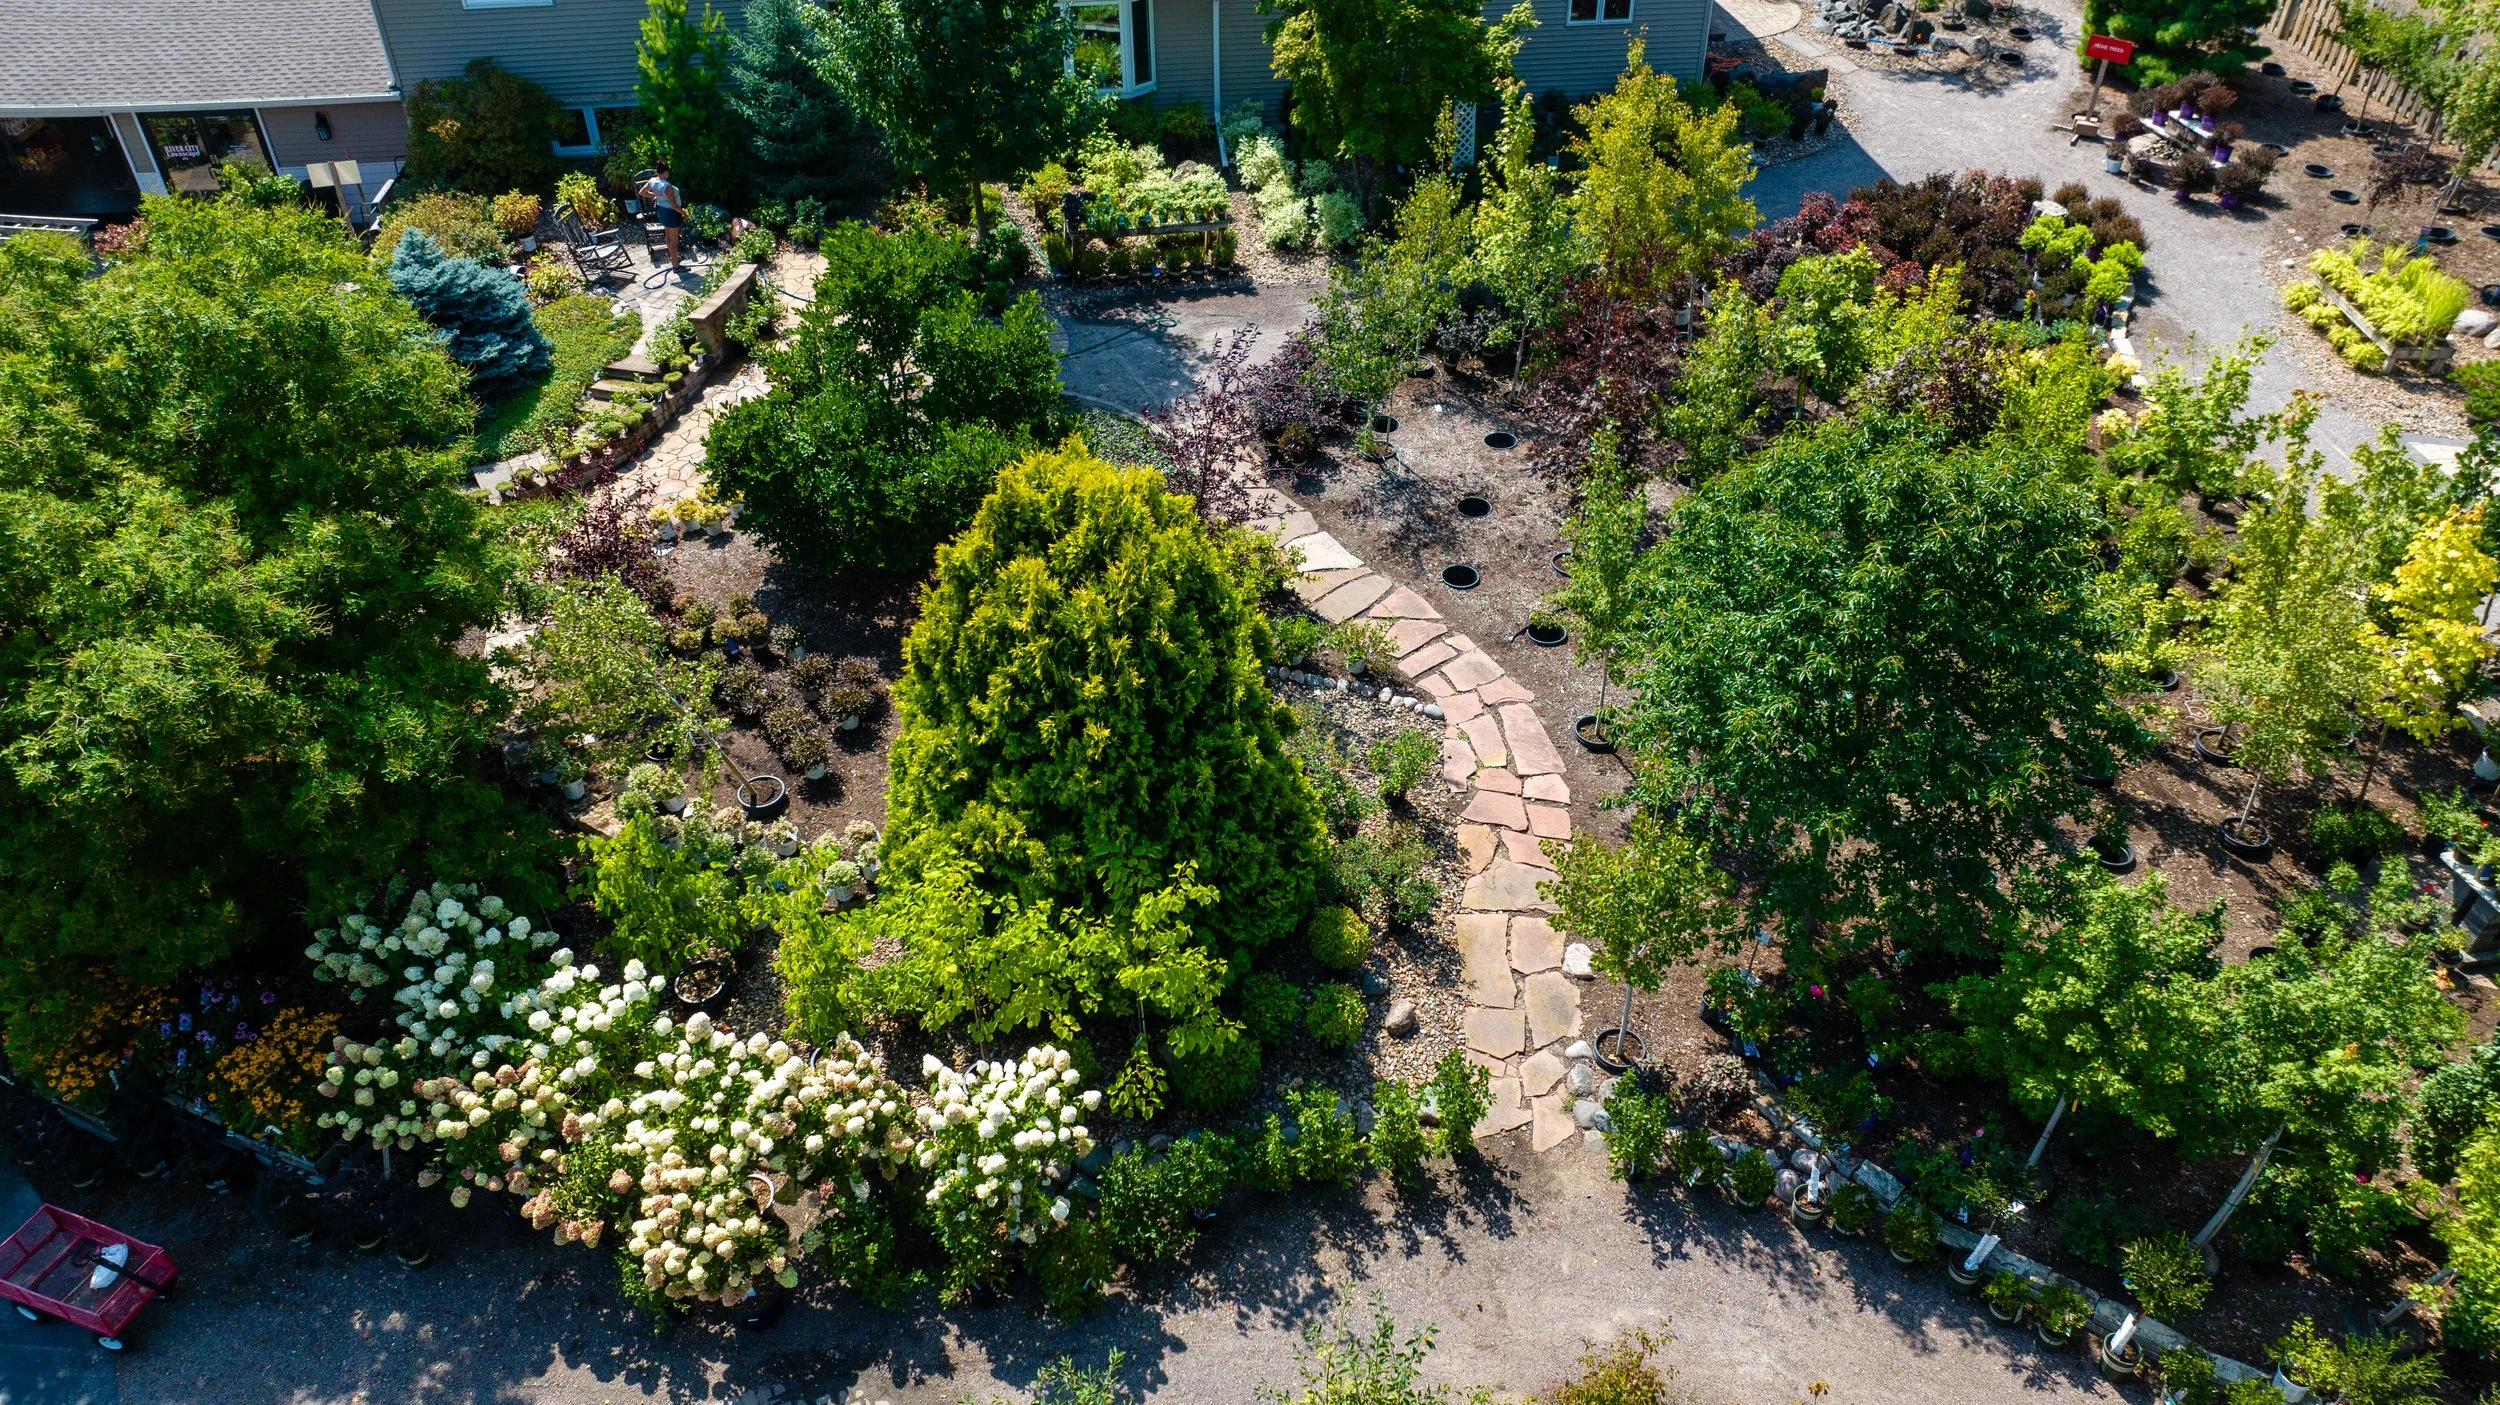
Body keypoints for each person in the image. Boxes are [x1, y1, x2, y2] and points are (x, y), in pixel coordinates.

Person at [640, 162, 686, 275]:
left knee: (668, 237)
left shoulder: (652, 181)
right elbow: (675, 206)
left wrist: (654, 196)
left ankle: (673, 258)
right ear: (666, 172)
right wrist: (685, 213)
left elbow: (642, 192)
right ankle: (676, 266)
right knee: (674, 241)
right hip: (671, 213)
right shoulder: (667, 186)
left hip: (662, 211)